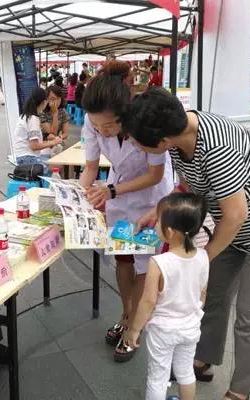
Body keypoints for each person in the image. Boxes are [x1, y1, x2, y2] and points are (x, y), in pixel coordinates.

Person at [127, 87, 250, 400]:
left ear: (162, 140)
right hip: (231, 226)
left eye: (136, 140)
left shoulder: (218, 147)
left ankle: (241, 390)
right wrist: (158, 211)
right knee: (209, 295)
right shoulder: (176, 138)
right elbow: (189, 184)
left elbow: (236, 214)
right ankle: (201, 360)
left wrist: (200, 257)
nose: (132, 143)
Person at [79, 61, 174, 363]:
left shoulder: (144, 123)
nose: (101, 131)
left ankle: (136, 323)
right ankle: (126, 312)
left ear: (125, 115)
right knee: (123, 258)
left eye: (108, 126)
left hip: (149, 200)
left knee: (145, 264)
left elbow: (155, 176)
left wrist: (111, 192)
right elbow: (91, 168)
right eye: (97, 127)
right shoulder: (92, 122)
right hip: (119, 196)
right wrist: (79, 196)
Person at [124, 193, 209, 400]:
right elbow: (202, 294)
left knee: (158, 378)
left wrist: (134, 329)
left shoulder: (159, 262)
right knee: (186, 371)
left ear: (169, 232)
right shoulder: (204, 256)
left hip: (163, 330)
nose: (155, 224)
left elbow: (149, 301)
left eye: (159, 221)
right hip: (190, 327)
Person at [13, 87, 62, 175]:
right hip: (27, 158)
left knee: (55, 163)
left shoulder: (25, 116)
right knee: (57, 166)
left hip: (23, 157)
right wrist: (54, 142)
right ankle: (47, 187)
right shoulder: (33, 119)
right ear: (43, 102)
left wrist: (50, 142)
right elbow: (35, 146)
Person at [40, 85, 70, 159]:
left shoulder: (63, 112)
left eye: (58, 98)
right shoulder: (42, 112)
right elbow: (51, 133)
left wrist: (59, 138)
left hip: (56, 143)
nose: (56, 101)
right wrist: (55, 114)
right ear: (46, 99)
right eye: (53, 99)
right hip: (43, 144)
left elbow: (65, 133)